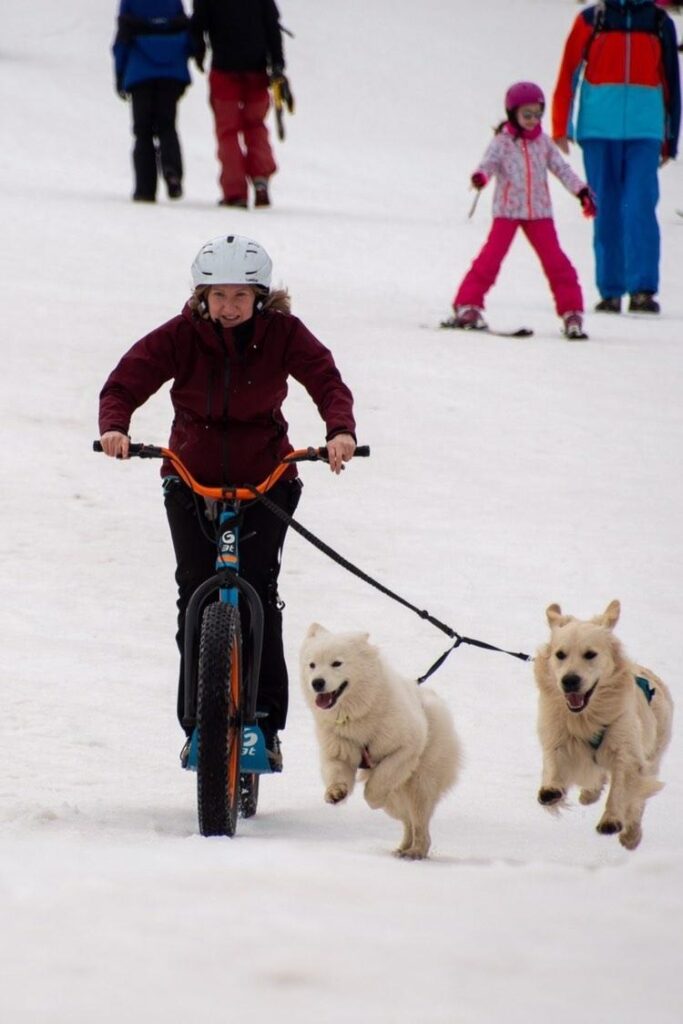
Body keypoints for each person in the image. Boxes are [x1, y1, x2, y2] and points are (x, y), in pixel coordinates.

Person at [98, 234, 357, 768]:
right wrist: (114, 428)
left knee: (259, 590)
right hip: (190, 478)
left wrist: (340, 431)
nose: (229, 307)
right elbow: (126, 379)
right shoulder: (181, 335)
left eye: (241, 296)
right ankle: (199, 722)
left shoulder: (282, 334)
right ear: (201, 296)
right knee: (194, 592)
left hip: (266, 479)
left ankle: (263, 720)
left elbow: (326, 378)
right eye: (218, 296)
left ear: (261, 296)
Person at [552, 0, 681, 314]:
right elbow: (569, 69)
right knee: (606, 208)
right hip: (598, 130)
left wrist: (670, 138)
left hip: (645, 130)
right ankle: (610, 290)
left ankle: (642, 289)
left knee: (640, 206)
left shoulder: (659, 22)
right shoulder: (591, 18)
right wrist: (560, 123)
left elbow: (671, 84)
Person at [444, 82, 596, 340]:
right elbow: (488, 163)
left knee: (557, 262)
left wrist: (581, 191)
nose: (532, 120)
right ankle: (467, 305)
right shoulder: (502, 142)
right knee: (490, 259)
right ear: (512, 112)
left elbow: (562, 169)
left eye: (538, 114)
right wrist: (481, 177)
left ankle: (572, 312)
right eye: (527, 115)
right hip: (508, 212)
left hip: (539, 214)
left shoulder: (543, 143)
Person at [190, 0, 289, 208]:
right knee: (255, 124)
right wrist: (278, 63)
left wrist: (198, 52)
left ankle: (235, 192)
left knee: (228, 131)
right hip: (257, 69)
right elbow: (272, 25)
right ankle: (261, 179)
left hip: (224, 69)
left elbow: (198, 23)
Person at [113, 0, 194, 202]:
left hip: (140, 73)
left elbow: (122, 39)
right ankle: (172, 172)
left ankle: (145, 188)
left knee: (143, 131)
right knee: (167, 126)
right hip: (171, 73)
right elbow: (185, 32)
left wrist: (120, 75)